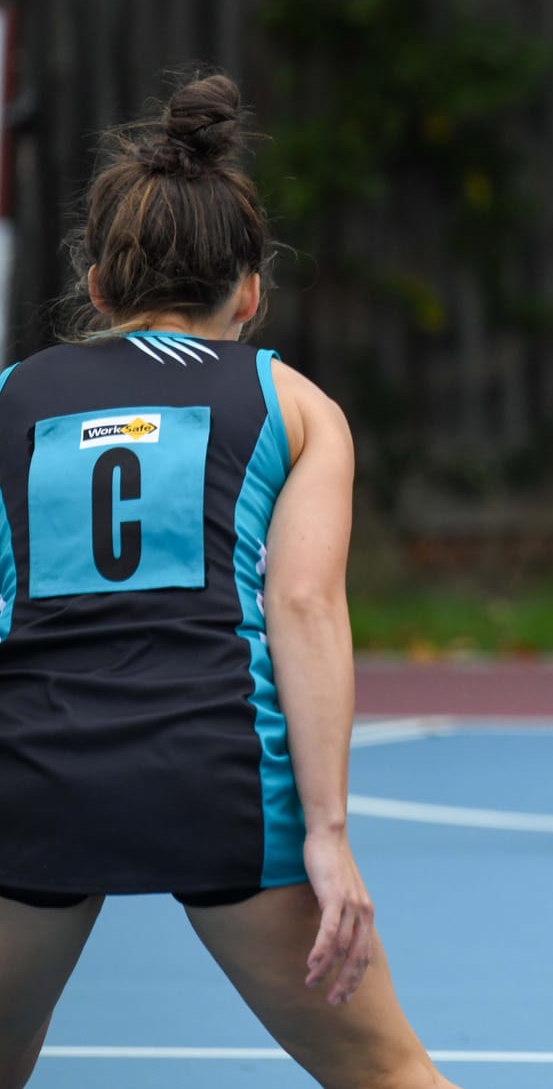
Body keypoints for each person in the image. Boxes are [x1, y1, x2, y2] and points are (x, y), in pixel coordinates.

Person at [0, 73, 457, 1088]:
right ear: (250, 292)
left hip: (34, 776)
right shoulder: (292, 406)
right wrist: (328, 834)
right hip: (215, 783)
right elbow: (301, 606)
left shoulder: (12, 401)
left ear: (98, 282)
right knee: (390, 1072)